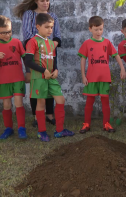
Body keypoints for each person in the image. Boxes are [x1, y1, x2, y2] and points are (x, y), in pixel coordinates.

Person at [25, 13, 74, 142]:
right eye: (47, 27)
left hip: (51, 77)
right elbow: (28, 61)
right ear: (38, 26)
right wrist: (43, 70)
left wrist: (56, 69)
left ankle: (59, 131)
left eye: (51, 27)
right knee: (41, 104)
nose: (50, 30)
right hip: (39, 78)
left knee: (60, 100)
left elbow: (54, 59)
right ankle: (41, 132)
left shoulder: (52, 43)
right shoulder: (32, 42)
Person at [14, 0, 61, 128]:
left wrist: (50, 46)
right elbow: (28, 35)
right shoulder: (29, 14)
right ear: (36, 1)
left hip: (50, 53)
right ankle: (36, 115)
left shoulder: (53, 16)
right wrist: (39, 47)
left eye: (47, 0)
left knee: (50, 81)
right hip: (33, 53)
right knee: (36, 84)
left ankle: (50, 114)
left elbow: (57, 36)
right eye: (42, 0)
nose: (45, 2)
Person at [78, 16, 126, 134]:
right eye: (96, 29)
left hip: (104, 77)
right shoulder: (87, 43)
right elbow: (83, 60)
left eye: (100, 29)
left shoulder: (107, 42)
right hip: (91, 77)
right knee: (90, 101)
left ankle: (106, 124)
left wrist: (122, 68)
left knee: (105, 101)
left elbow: (116, 55)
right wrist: (83, 76)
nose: (99, 32)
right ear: (90, 29)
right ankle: (86, 124)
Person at [0, 15, 27, 139]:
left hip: (18, 79)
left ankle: (22, 128)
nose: (7, 35)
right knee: (6, 105)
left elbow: (26, 58)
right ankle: (8, 128)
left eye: (9, 32)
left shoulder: (17, 42)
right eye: (3, 33)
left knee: (19, 103)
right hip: (4, 80)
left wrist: (29, 72)